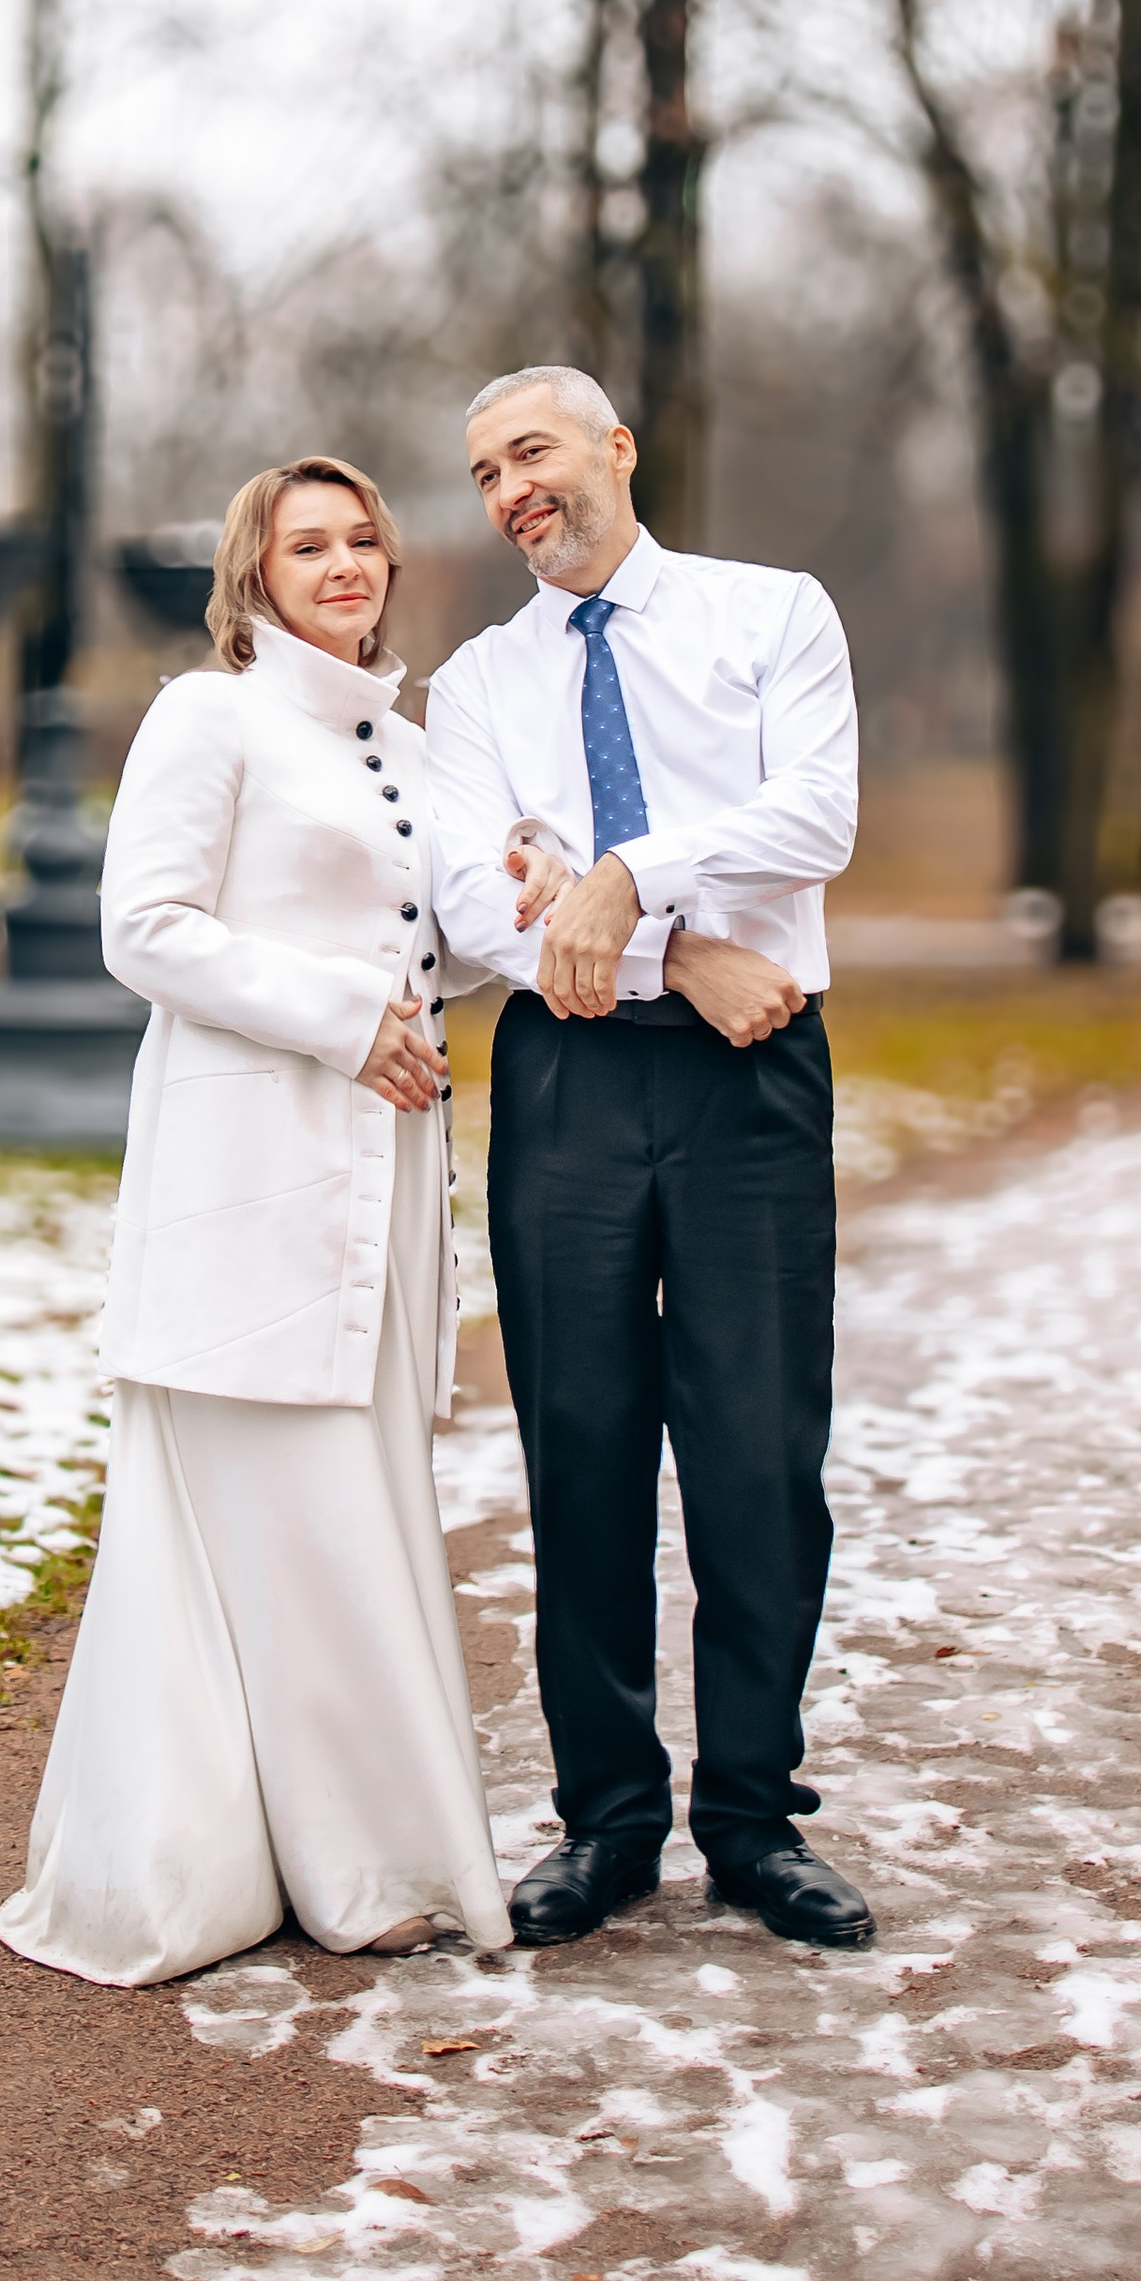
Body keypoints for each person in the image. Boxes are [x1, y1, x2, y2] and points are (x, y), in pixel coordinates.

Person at [0, 453, 513, 1987]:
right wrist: (347, 1019)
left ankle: (349, 1854)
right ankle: (313, 1867)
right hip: (247, 1167)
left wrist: (523, 903)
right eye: (308, 545)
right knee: (280, 1513)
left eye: (364, 540)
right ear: (255, 576)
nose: (345, 564)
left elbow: (432, 951)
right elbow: (144, 928)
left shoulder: (410, 749)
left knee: (361, 1500)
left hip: (386, 1169)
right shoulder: (206, 717)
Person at [423, 365, 874, 1953]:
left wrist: (625, 875)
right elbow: (475, 909)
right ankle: (606, 1819)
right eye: (484, 474)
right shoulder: (479, 684)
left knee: (760, 1455)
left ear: (617, 447)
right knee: (584, 1449)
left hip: (756, 1073)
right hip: (572, 1078)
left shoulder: (772, 613)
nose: (509, 492)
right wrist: (677, 951)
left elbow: (816, 818)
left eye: (529, 452)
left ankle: (754, 1819)